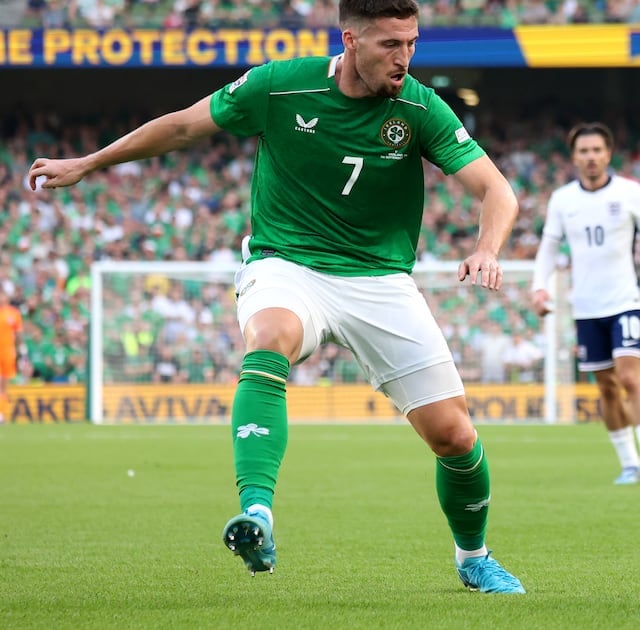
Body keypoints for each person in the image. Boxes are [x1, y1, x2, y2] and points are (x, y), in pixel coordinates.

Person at [28, 0, 526, 594]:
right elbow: (185, 125)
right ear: (350, 39)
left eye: (412, 43)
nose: (405, 58)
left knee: (456, 437)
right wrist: (89, 161)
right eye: (390, 45)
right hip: (286, 262)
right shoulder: (279, 85)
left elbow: (495, 189)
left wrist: (489, 248)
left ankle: (473, 557)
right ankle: (257, 515)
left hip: (379, 278)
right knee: (270, 338)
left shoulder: (420, 107)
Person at [531, 122, 640, 485]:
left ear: (608, 154)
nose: (591, 157)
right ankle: (629, 464)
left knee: (630, 375)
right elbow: (548, 247)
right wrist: (539, 287)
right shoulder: (562, 200)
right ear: (574, 157)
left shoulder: (630, 193)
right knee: (606, 386)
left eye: (596, 150)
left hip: (624, 301)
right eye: (583, 151)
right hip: (586, 307)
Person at [0, 290, 21, 422]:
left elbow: (18, 334)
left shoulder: (13, 313)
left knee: (4, 385)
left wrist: (22, 351)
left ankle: (2, 413)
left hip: (8, 353)